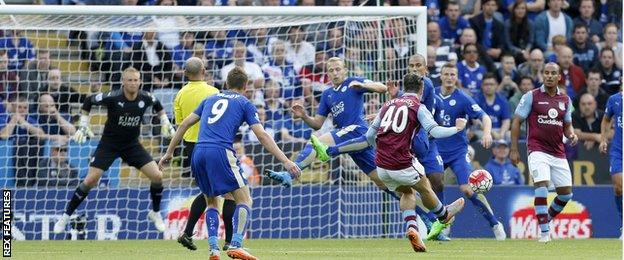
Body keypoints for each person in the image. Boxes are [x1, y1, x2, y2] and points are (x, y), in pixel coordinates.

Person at [159, 67, 301, 260]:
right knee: (245, 199)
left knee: (212, 201)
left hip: (199, 151)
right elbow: (262, 135)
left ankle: (213, 250)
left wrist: (169, 152)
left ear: (226, 84)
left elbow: (183, 124)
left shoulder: (210, 99)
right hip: (220, 151)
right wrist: (285, 160)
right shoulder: (245, 103)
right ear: (245, 86)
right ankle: (236, 244)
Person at [53, 67, 177, 234]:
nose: (133, 83)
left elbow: (158, 104)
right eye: (130, 80)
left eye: (136, 80)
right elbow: (89, 100)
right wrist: (83, 124)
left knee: (157, 176)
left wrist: (165, 122)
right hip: (109, 144)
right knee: (90, 180)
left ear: (140, 81)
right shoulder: (113, 97)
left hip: (132, 145)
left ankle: (155, 213)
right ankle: (65, 216)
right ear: (124, 82)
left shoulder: (145, 97)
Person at [366, 72, 466, 252]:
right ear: (421, 89)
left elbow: (369, 136)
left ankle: (412, 227)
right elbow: (435, 132)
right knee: (425, 186)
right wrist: (457, 128)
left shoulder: (387, 104)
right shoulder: (418, 106)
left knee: (407, 193)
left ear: (404, 88)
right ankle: (443, 216)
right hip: (401, 161)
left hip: (381, 165)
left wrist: (380, 150)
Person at [433, 63, 505, 240]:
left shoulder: (463, 98)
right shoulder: (431, 95)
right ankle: (444, 222)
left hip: (458, 151)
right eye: (447, 74)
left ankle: (494, 223)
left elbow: (485, 117)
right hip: (436, 150)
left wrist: (487, 132)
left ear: (456, 77)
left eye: (453, 74)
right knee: (436, 185)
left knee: (467, 188)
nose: (450, 77)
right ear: (441, 76)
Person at [510, 62, 579, 243]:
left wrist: (571, 134)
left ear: (559, 77)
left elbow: (567, 125)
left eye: (553, 73)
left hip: (558, 151)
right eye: (546, 73)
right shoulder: (531, 96)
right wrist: (514, 148)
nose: (549, 76)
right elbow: (516, 121)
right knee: (541, 186)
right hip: (537, 149)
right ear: (543, 75)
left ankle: (545, 218)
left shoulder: (565, 100)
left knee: (566, 194)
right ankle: (544, 233)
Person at [172, 57, 232, 252]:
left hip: (191, 147)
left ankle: (187, 233)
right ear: (204, 71)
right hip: (213, 145)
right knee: (229, 193)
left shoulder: (180, 95)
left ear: (186, 74)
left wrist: (170, 150)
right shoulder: (214, 92)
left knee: (209, 193)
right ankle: (231, 240)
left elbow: (180, 124)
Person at [599, 91, 623, 229]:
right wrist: (603, 139)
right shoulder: (614, 99)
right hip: (618, 151)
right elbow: (606, 119)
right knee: (619, 188)